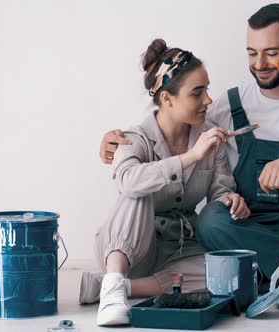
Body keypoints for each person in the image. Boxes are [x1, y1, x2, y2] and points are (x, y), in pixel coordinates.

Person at [100, 3, 279, 306]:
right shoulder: (228, 104)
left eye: (272, 53)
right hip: (248, 234)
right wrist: (113, 143)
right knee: (211, 220)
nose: (260, 63)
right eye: (252, 53)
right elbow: (175, 117)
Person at [83, 39, 250, 326]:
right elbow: (127, 181)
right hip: (130, 249)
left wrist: (229, 200)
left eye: (207, 89)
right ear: (167, 99)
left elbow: (221, 189)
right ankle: (113, 284)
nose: (208, 100)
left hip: (181, 250)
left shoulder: (210, 136)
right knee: (137, 188)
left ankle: (117, 287)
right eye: (198, 93)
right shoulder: (134, 138)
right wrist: (191, 157)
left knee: (224, 275)